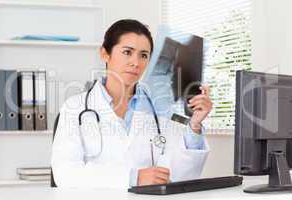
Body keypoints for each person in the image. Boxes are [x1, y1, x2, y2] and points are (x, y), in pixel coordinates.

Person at [51, 19, 212, 188]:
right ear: (105, 53)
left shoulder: (161, 109)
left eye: (143, 55)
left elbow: (181, 176)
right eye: (127, 52)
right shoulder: (74, 108)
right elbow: (65, 174)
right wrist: (132, 178)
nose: (136, 63)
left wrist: (194, 125)